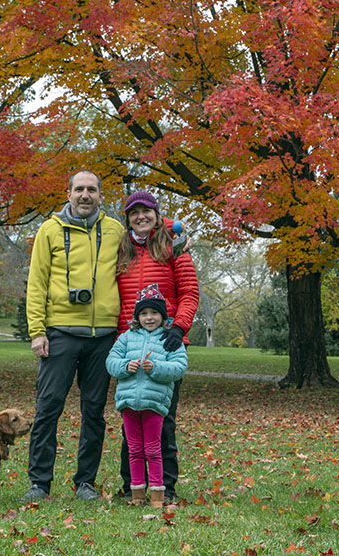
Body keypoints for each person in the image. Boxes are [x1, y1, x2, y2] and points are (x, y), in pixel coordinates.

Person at [20, 170, 123, 504]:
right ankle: (40, 483)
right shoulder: (49, 230)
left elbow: (145, 247)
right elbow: (36, 285)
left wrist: (179, 242)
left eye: (92, 189)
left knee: (94, 412)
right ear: (68, 194)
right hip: (60, 333)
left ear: (100, 195)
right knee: (48, 408)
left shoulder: (115, 230)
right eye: (79, 189)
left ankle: (86, 483)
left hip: (103, 336)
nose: (85, 195)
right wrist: (37, 331)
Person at [116, 190, 199, 503]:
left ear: (156, 213)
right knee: (131, 416)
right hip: (129, 344)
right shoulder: (121, 248)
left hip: (166, 343)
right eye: (134, 212)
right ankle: (132, 487)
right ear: (127, 218)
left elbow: (190, 292)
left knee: (161, 418)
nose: (141, 217)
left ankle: (166, 488)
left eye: (146, 211)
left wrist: (178, 328)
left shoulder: (172, 244)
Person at [105, 284, 188, 508]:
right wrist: (125, 365)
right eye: (143, 313)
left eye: (154, 313)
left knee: (153, 449)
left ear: (163, 316)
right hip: (129, 403)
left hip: (155, 403)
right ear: (137, 316)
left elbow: (179, 367)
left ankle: (158, 495)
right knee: (134, 449)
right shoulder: (126, 338)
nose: (149, 318)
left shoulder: (170, 340)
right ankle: (137, 494)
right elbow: (111, 362)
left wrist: (157, 368)